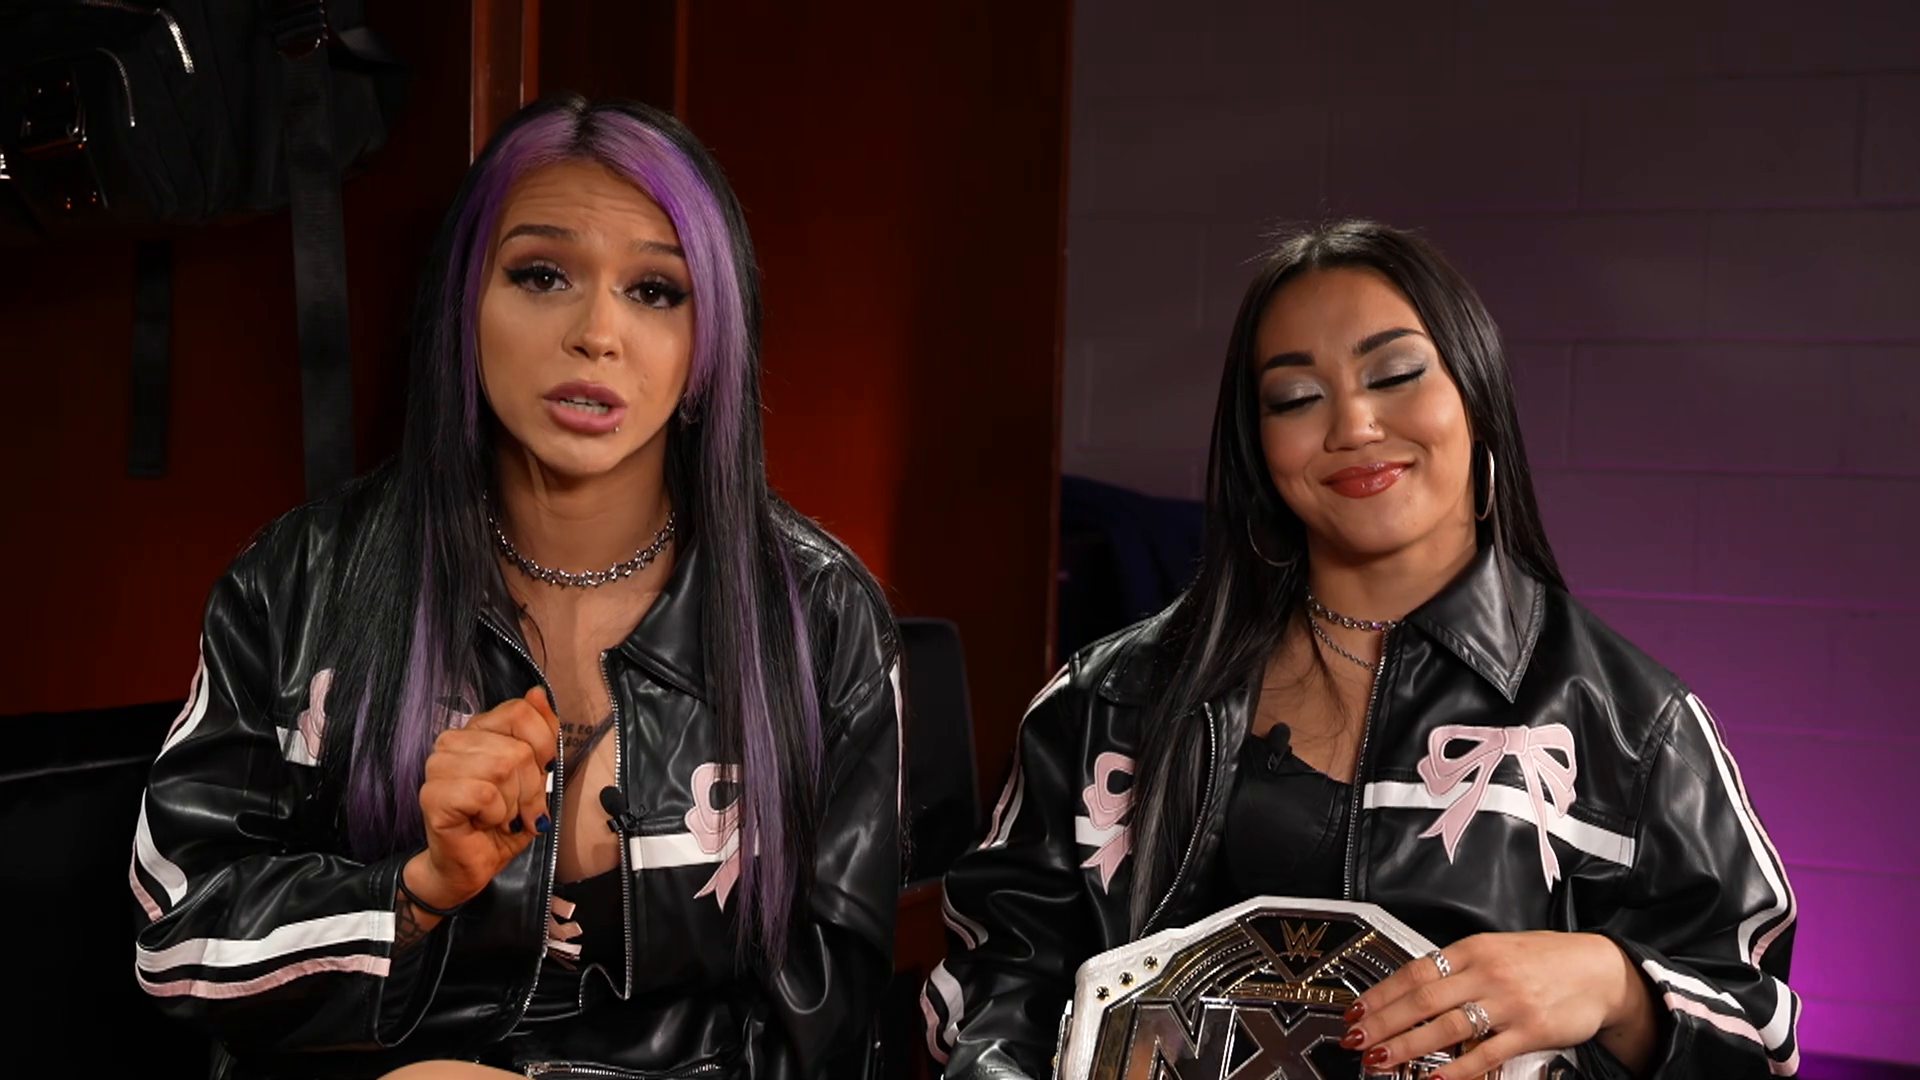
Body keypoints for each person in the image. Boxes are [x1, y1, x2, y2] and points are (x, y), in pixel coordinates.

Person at [131, 95, 902, 1080]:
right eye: (541, 275)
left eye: (655, 290)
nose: (597, 333)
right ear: (465, 304)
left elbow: (828, 1029)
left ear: (710, 342)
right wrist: (417, 891)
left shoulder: (820, 614)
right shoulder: (299, 581)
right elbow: (180, 945)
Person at [924, 220, 1799, 1080]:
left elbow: (1760, 1036)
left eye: (1395, 375)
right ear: (1257, 443)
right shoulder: (1104, 704)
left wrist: (1618, 986)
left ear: (1475, 392)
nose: (1352, 425)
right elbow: (994, 995)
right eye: (1296, 398)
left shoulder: (1636, 727)